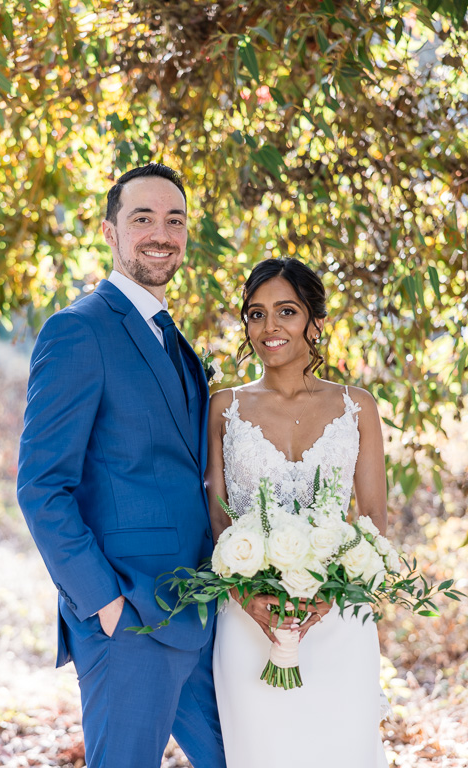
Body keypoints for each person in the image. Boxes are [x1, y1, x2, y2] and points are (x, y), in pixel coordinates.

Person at [17, 163, 226, 768]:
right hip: (129, 618)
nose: (161, 234)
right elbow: (41, 487)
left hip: (197, 610)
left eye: (174, 220)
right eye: (142, 219)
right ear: (110, 231)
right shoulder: (78, 331)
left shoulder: (174, 338)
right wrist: (103, 603)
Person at [206, 257, 389, 767]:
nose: (269, 327)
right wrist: (247, 593)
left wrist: (331, 595)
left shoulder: (358, 406)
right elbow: (218, 519)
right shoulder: (224, 407)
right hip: (248, 618)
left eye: (286, 311)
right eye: (256, 314)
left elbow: (374, 520)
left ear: (316, 322)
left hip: (338, 620)